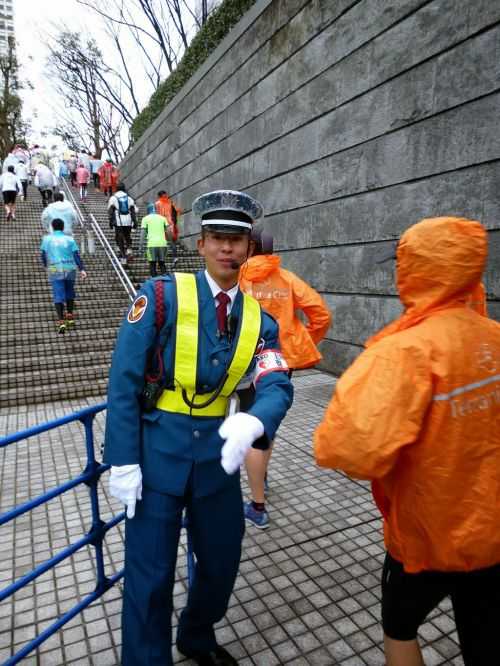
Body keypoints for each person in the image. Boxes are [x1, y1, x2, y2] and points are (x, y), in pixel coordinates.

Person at [104, 189, 293, 666]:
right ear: (201, 243)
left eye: (237, 240)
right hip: (155, 458)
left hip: (217, 460)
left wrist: (255, 417)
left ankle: (196, 635)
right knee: (150, 578)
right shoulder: (162, 295)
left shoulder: (260, 320)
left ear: (250, 248)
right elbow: (124, 380)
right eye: (218, 238)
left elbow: (275, 380)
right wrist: (122, 459)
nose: (228, 248)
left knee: (222, 565)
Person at [313, 216, 500, 666]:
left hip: (424, 538)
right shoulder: (495, 338)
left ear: (413, 268)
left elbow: (350, 450)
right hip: (493, 533)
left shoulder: (403, 352)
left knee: (399, 626)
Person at [239, 231, 331, 528]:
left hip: (244, 360)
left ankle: (257, 505)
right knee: (269, 420)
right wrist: (300, 342)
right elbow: (321, 315)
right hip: (279, 360)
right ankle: (260, 475)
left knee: (251, 427)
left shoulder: (238, 277)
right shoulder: (288, 279)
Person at [40, 218, 87, 333]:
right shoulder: (70, 239)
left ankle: (61, 322)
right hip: (70, 268)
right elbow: (76, 255)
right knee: (69, 291)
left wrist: (46, 265)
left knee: (58, 294)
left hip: (55, 268)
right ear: (62, 227)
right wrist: (82, 269)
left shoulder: (47, 239)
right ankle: (70, 315)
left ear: (52, 227)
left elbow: (43, 254)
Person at [107, 182, 137, 264]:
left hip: (118, 221)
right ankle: (129, 251)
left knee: (120, 238)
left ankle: (123, 257)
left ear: (116, 189)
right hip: (128, 221)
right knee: (127, 236)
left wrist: (111, 221)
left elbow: (110, 211)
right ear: (124, 188)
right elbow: (133, 210)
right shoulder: (129, 198)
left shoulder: (113, 197)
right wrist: (135, 222)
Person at [139, 202, 171, 276]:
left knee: (152, 264)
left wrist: (140, 246)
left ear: (148, 210)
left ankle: (154, 281)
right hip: (163, 244)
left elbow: (143, 234)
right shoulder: (163, 218)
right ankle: (165, 280)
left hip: (151, 245)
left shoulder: (145, 219)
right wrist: (171, 243)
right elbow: (168, 231)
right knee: (162, 264)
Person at [156, 190, 181, 258]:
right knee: (172, 242)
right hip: (170, 224)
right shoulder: (170, 202)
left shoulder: (157, 203)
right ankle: (175, 257)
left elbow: (156, 214)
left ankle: (162, 257)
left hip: (161, 223)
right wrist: (175, 223)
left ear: (159, 196)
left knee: (162, 241)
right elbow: (177, 211)